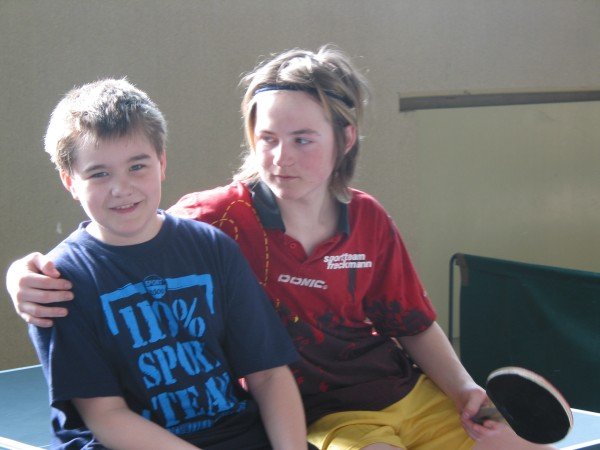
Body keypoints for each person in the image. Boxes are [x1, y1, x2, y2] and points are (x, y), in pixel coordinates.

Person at [7, 47, 556, 450]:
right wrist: (21, 275)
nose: (281, 157)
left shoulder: (367, 218)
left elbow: (411, 321)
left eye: (303, 140)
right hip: (321, 413)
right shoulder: (218, 220)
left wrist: (463, 389)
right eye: (267, 139)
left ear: (345, 139)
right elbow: (129, 234)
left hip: (397, 388)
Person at [19, 78, 308, 450]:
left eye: (137, 166)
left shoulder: (213, 248)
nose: (122, 188)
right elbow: (105, 415)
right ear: (70, 182)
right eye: (99, 173)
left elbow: (268, 374)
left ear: (162, 163)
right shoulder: (58, 282)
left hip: (235, 435)